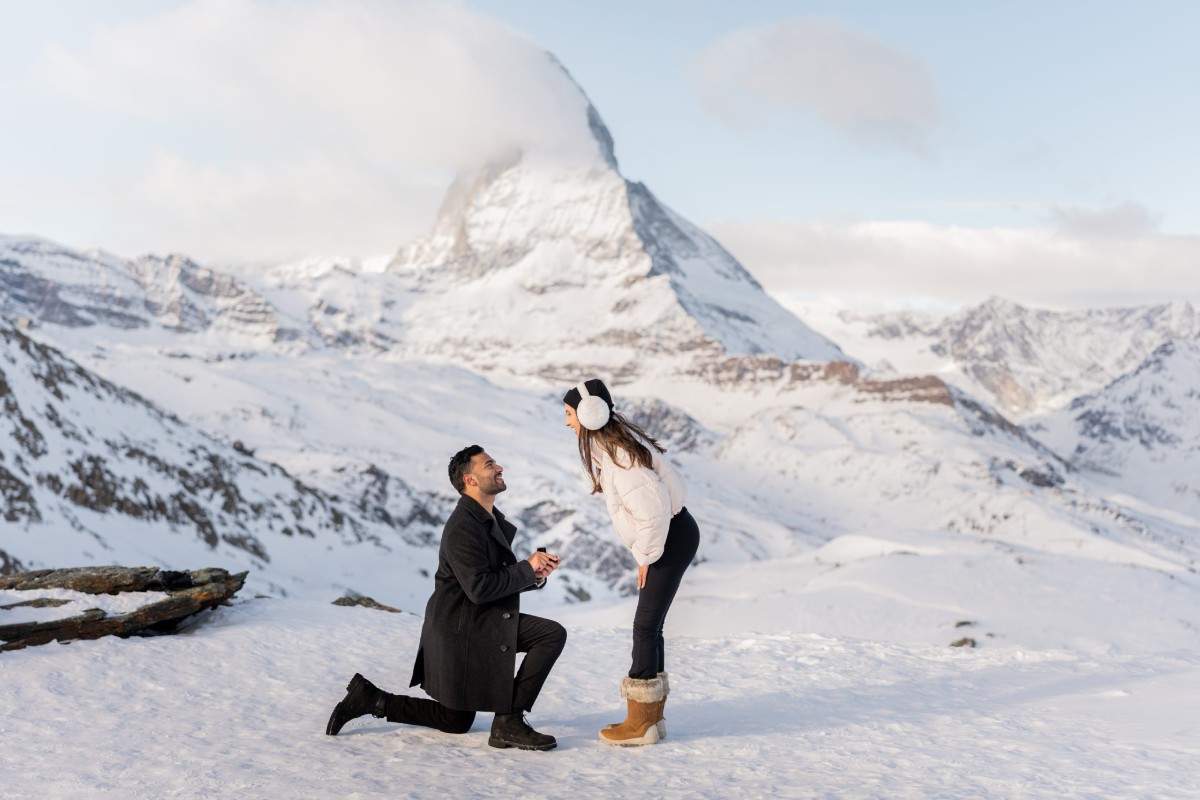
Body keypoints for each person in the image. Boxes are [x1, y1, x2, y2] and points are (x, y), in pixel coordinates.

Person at [326, 445, 567, 751]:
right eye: (489, 464)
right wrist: (526, 569)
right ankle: (509, 722)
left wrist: (534, 573)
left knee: (455, 720)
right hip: (462, 628)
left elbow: (494, 581)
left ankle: (372, 699)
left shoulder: (485, 518)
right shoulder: (463, 527)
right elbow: (480, 588)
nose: (500, 468)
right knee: (550, 634)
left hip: (472, 620)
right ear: (471, 480)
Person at [562, 378, 700, 746]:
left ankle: (641, 723)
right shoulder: (614, 443)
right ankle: (651, 720)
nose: (567, 422)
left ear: (590, 414)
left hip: (667, 537)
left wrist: (646, 556)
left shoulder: (618, 455)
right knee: (650, 626)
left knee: (644, 626)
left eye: (569, 414)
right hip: (675, 533)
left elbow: (652, 512)